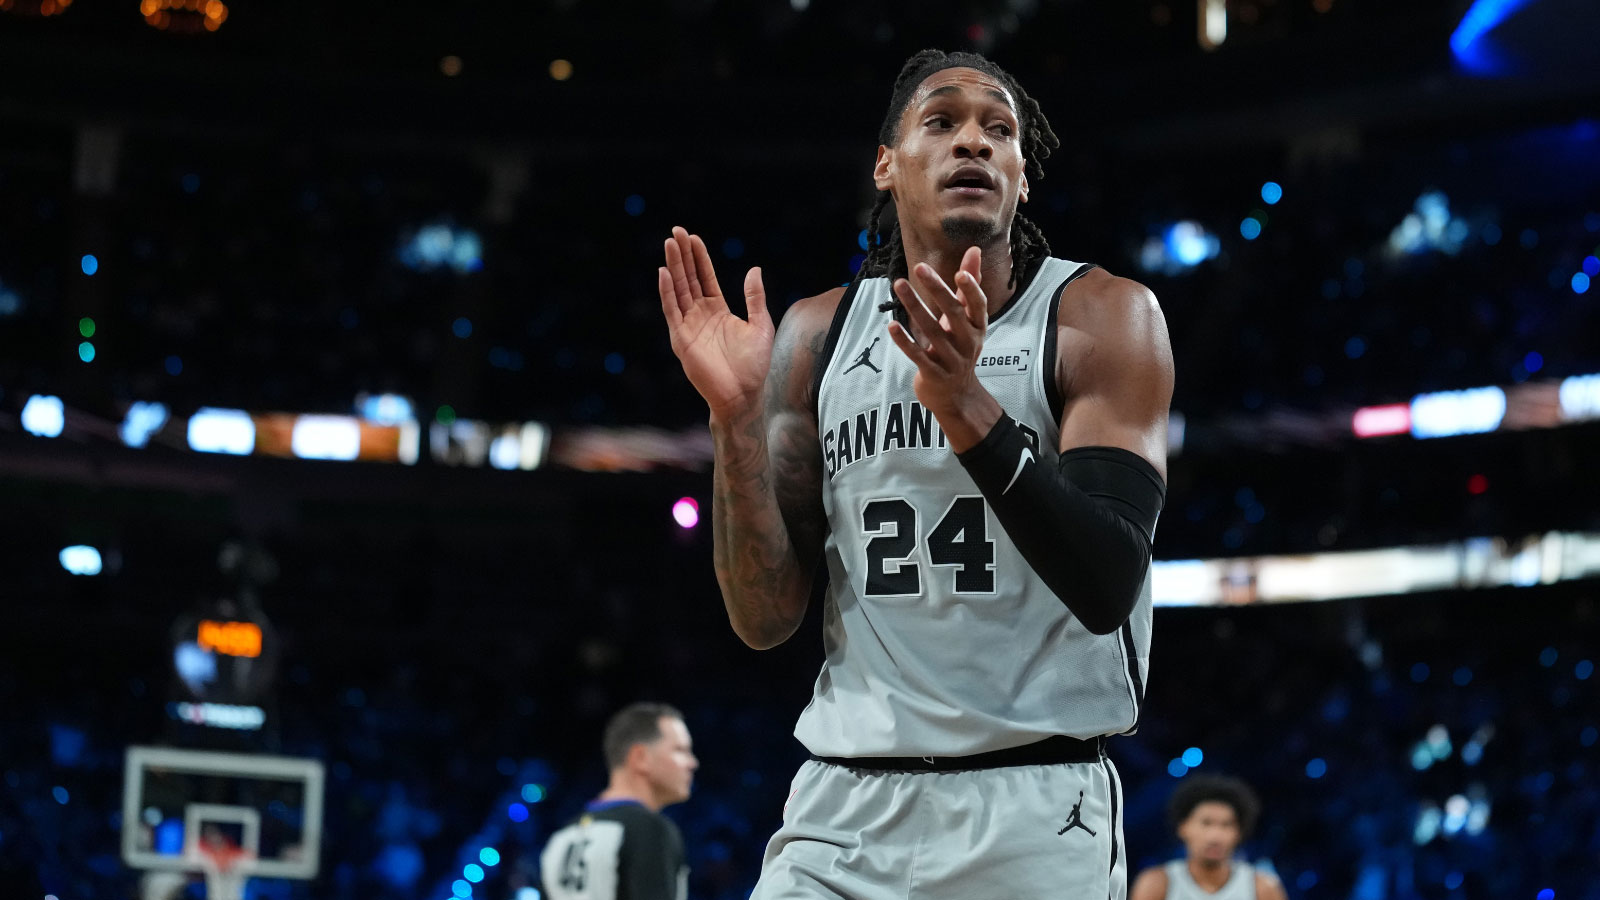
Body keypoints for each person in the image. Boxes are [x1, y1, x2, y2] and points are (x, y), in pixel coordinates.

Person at [658, 47, 1173, 900]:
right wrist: (735, 423)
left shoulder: (1101, 317)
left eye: (998, 130)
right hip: (842, 804)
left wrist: (968, 408)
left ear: (1022, 176)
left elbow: (1108, 578)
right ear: (887, 165)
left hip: (1034, 804)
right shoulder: (817, 334)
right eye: (942, 122)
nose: (973, 142)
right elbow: (764, 616)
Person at [540, 703, 697, 900]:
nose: (692, 763)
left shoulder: (562, 836)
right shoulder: (650, 830)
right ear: (640, 757)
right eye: (680, 750)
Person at [1130, 776, 1288, 900]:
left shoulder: (1263, 888)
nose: (1215, 836)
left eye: (1226, 825)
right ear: (1183, 827)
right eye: (1206, 823)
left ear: (1239, 832)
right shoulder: (1156, 884)